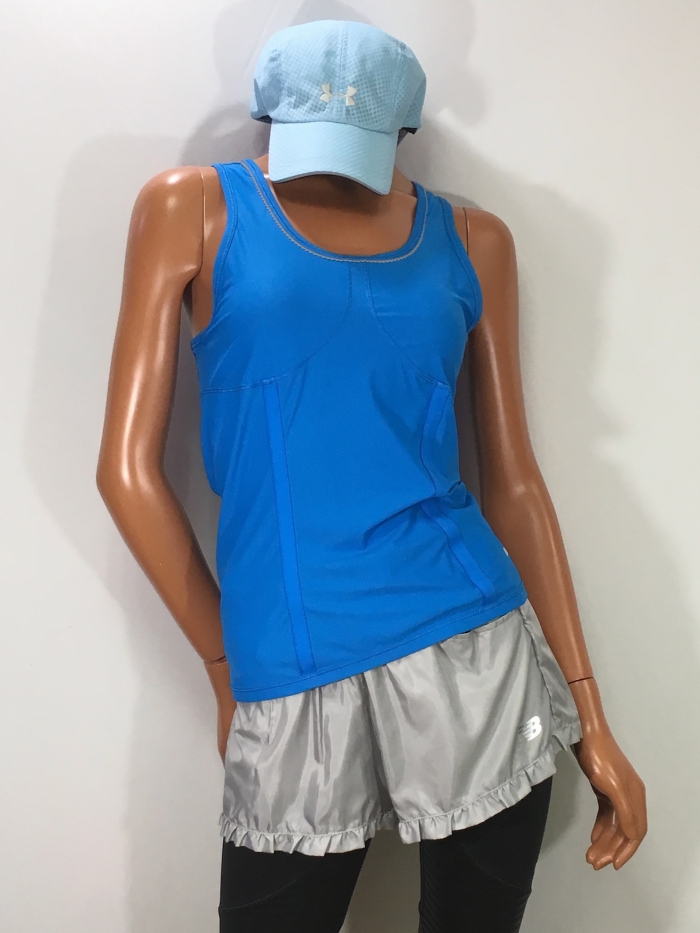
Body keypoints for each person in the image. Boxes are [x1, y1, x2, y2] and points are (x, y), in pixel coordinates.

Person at [97, 19, 647, 933]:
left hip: (474, 655)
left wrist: (592, 716)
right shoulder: (191, 207)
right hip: (295, 662)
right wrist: (226, 663)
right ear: (270, 119)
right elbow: (126, 473)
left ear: (401, 133)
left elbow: (513, 480)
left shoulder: (471, 239)